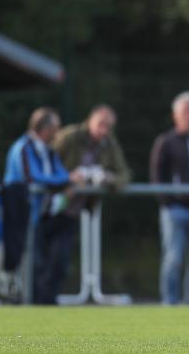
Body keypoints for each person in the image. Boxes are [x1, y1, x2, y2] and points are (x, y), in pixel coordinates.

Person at [51, 104, 131, 303]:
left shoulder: (109, 143)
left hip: (72, 210)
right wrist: (67, 178)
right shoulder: (70, 136)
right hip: (49, 206)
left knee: (60, 261)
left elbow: (124, 175)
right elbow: (47, 162)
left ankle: (46, 304)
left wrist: (106, 178)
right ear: (90, 120)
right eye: (101, 124)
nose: (104, 130)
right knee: (44, 259)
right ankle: (35, 302)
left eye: (108, 126)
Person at [3, 108, 72, 304]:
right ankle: (23, 301)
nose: (58, 133)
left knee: (51, 261)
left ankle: (43, 301)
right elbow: (32, 178)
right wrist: (65, 179)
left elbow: (62, 174)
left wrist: (65, 178)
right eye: (55, 128)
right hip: (22, 215)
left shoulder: (49, 151)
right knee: (27, 261)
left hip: (43, 216)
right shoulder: (23, 148)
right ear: (44, 128)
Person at [150, 91, 189, 305]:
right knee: (173, 258)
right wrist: (168, 202)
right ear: (175, 116)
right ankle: (169, 302)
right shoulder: (166, 142)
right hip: (175, 209)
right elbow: (157, 176)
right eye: (185, 112)